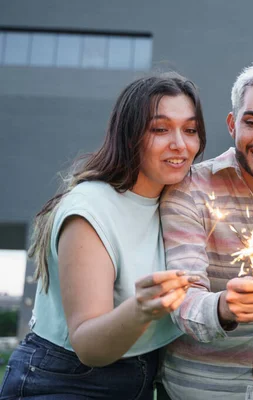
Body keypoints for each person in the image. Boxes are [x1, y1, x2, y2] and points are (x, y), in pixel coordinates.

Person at [0, 72, 206, 400]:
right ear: (129, 136)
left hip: (139, 377)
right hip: (65, 380)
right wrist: (141, 309)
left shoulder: (177, 201)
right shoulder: (90, 208)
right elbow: (88, 346)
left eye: (190, 130)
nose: (180, 144)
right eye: (160, 129)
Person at [157, 61, 253, 400]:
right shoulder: (190, 188)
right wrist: (225, 307)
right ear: (232, 124)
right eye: (252, 122)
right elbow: (181, 297)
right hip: (196, 391)